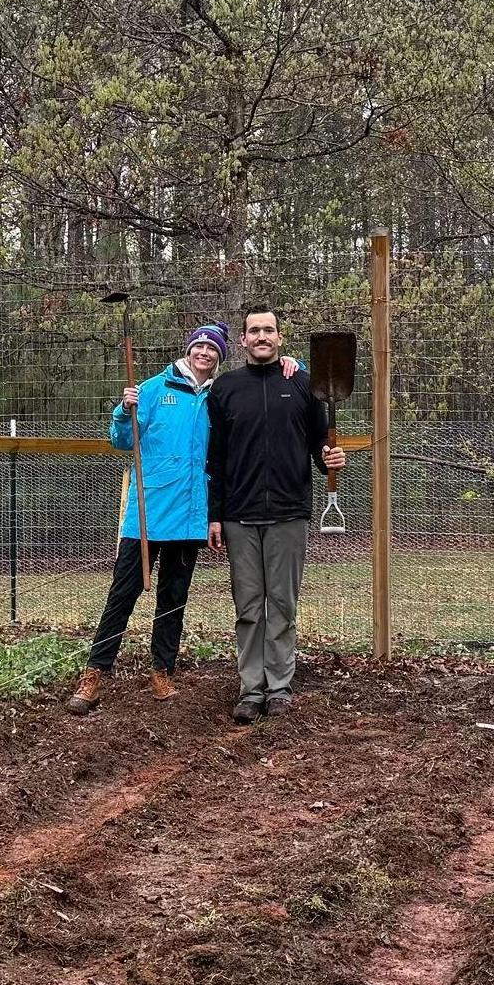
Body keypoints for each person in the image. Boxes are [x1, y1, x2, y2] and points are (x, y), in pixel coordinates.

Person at [67, 323, 302, 715]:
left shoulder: (218, 396)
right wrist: (123, 414)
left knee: (173, 600)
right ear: (189, 349)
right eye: (200, 346)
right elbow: (122, 441)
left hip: (189, 518)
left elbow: (264, 392)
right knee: (121, 597)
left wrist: (292, 362)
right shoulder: (154, 389)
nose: (205, 353)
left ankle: (162, 670)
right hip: (147, 515)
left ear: (221, 356)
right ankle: (95, 674)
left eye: (213, 349)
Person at [206, 306, 346, 724]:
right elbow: (215, 458)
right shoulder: (225, 389)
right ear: (243, 340)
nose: (261, 336)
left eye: (269, 330)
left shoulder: (304, 385)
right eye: (254, 330)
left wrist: (330, 458)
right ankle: (252, 689)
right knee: (248, 606)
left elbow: (320, 445)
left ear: (280, 338)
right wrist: (215, 515)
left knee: (282, 604)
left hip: (289, 512)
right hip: (239, 514)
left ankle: (280, 688)